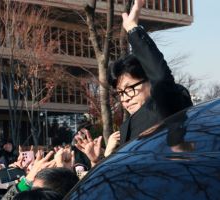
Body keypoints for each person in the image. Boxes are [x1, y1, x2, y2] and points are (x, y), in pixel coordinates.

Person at [76, 0, 193, 162]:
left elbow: (160, 77)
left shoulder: (165, 106)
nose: (125, 98)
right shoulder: (128, 126)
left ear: (150, 81)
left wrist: (133, 28)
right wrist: (99, 160)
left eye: (129, 89)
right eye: (120, 93)